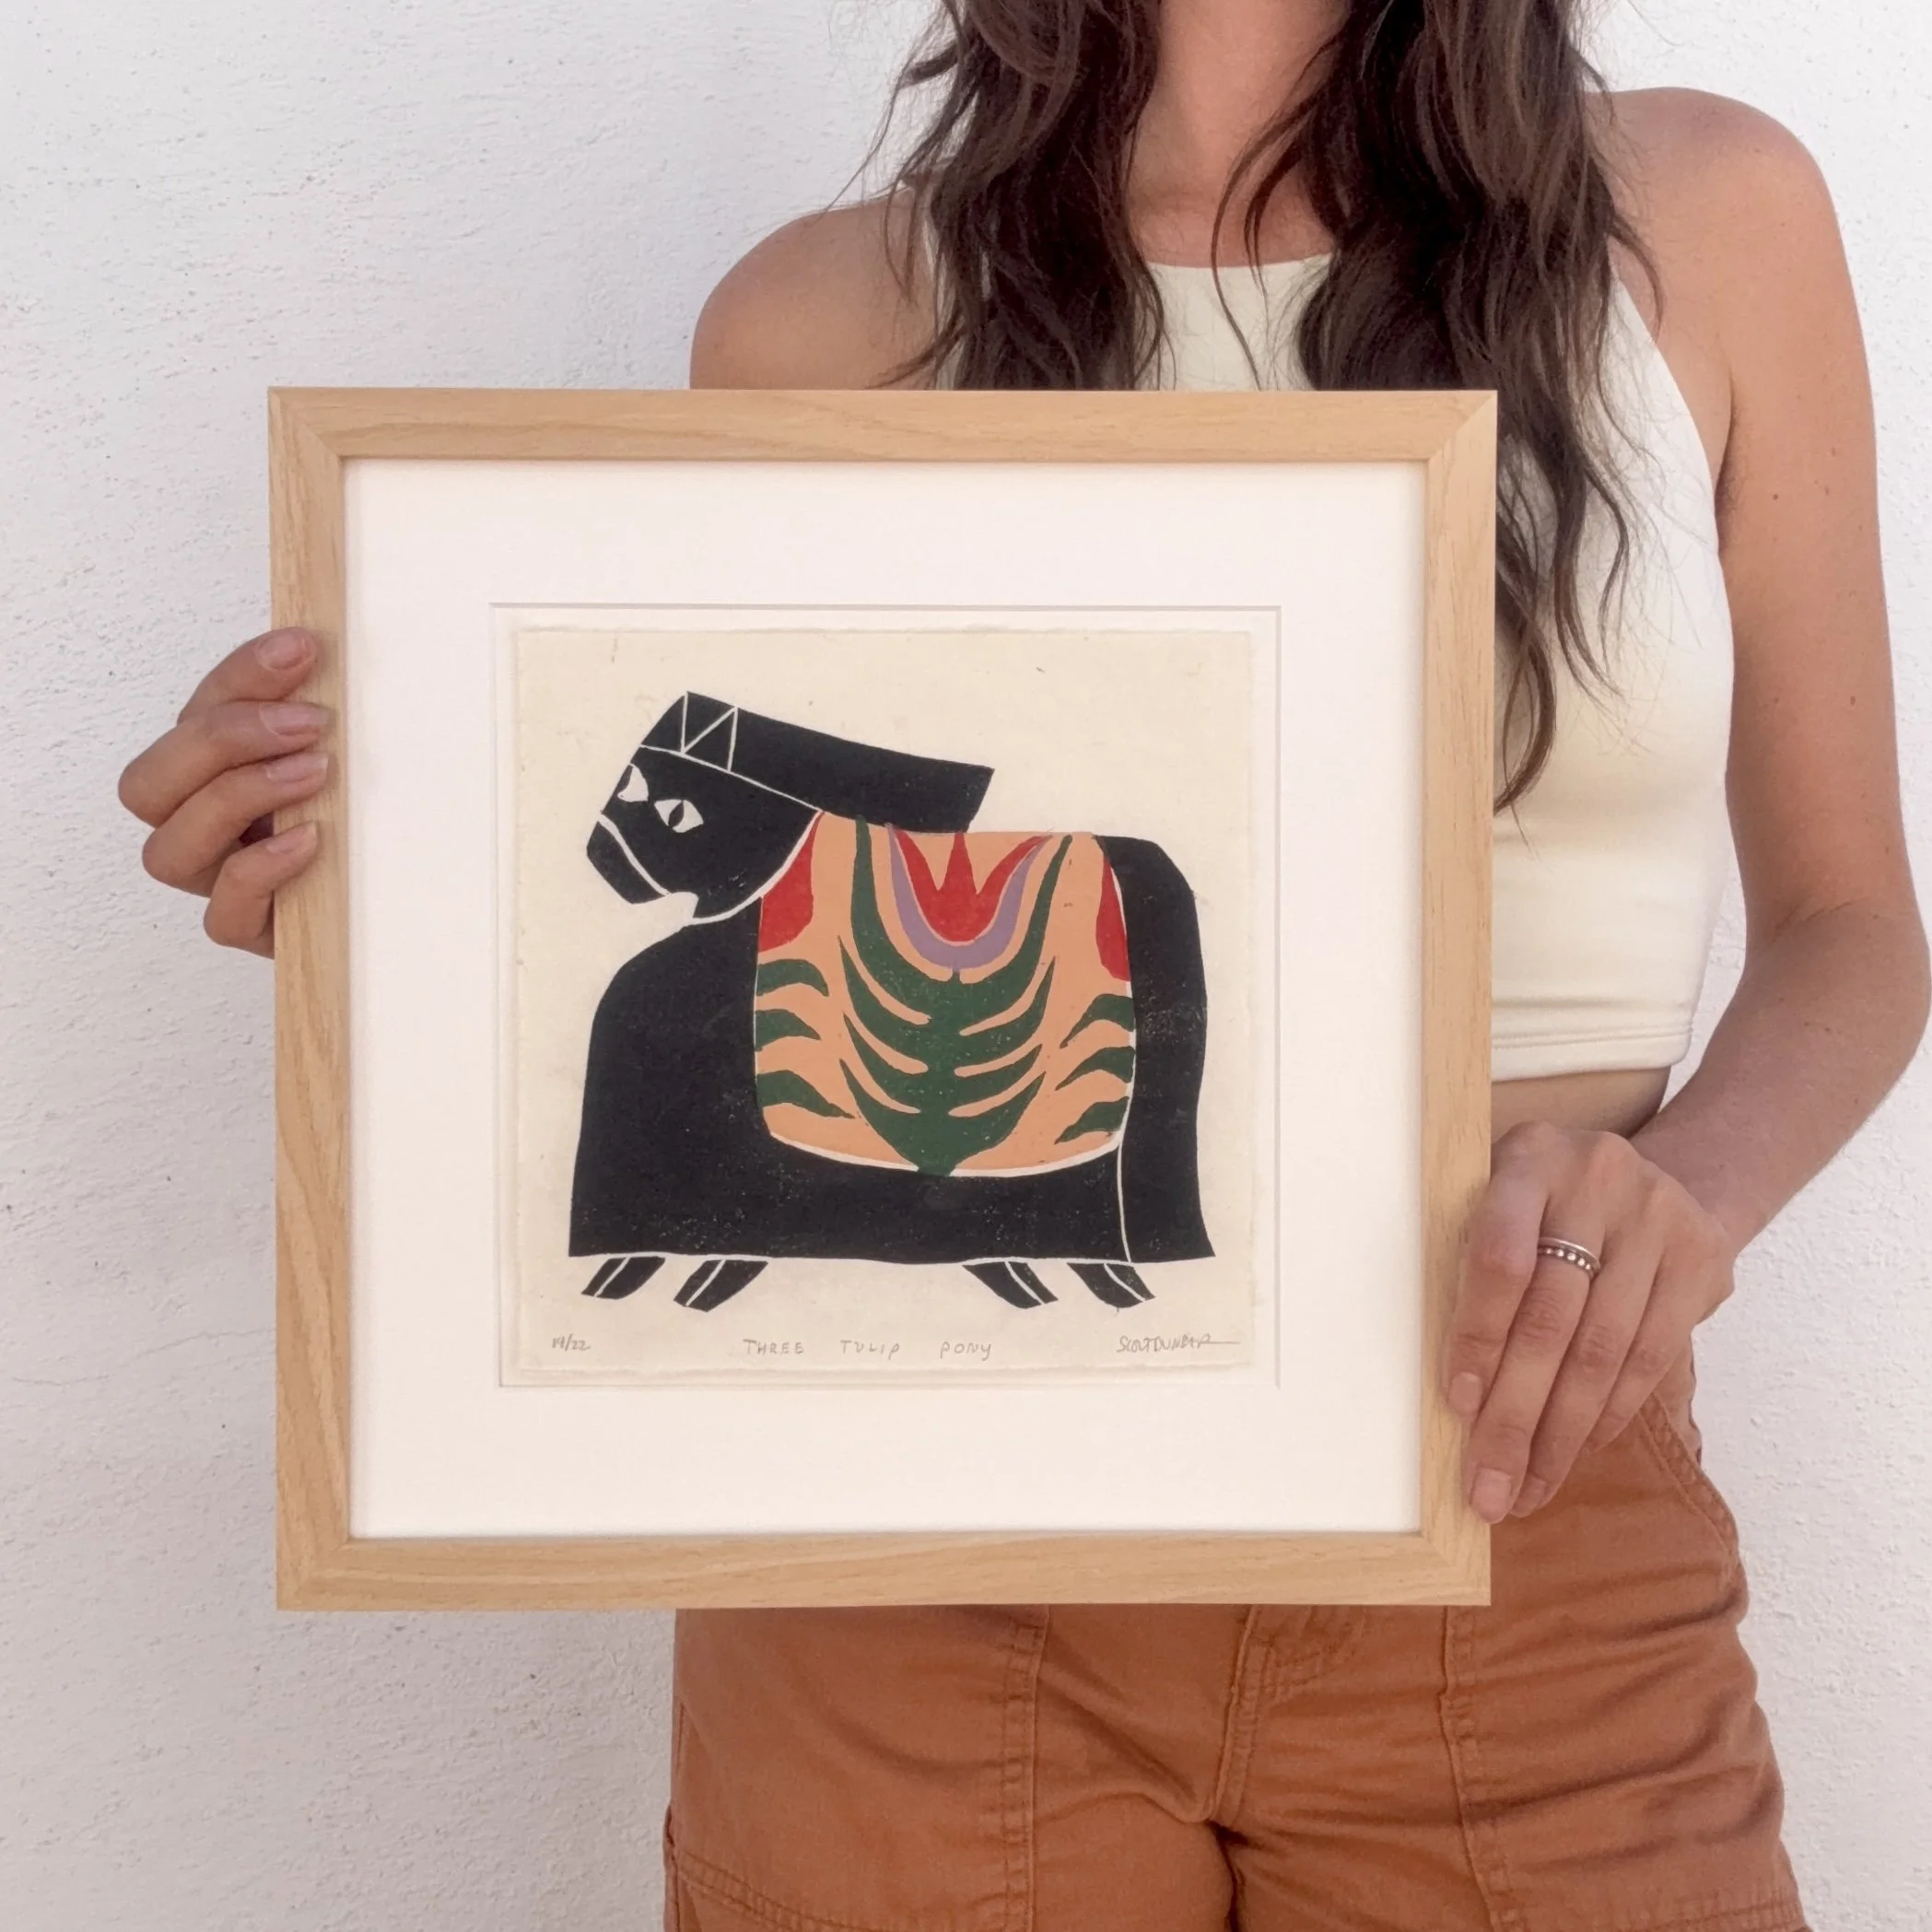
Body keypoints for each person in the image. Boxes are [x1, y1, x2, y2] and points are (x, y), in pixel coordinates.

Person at [117, 1, 1927, 1926]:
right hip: (904, 1538)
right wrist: (362, 859)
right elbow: (736, 883)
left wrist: (1684, 1193)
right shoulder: (817, 320)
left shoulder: (1705, 214)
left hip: (1517, 1470)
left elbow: (1851, 923)